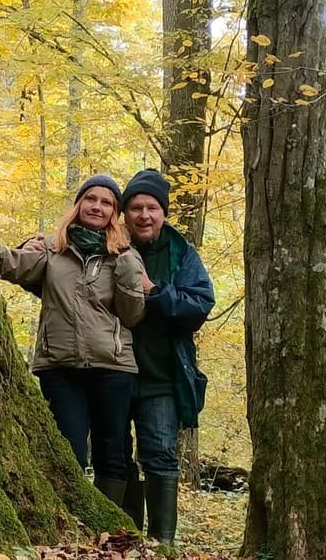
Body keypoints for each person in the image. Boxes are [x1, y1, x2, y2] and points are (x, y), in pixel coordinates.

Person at [0, 174, 146, 507]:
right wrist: (4, 244)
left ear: (115, 212)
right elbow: (9, 265)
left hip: (112, 365)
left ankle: (111, 526)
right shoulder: (52, 249)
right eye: (91, 199)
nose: (97, 206)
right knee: (69, 449)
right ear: (79, 205)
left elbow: (132, 314)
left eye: (106, 202)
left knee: (112, 449)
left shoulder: (125, 254)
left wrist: (125, 268)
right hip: (60, 366)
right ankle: (76, 520)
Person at [118, 169, 215, 547]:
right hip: (112, 372)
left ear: (163, 212)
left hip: (160, 376)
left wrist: (154, 292)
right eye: (136, 207)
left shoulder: (181, 253)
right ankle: (121, 541)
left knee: (159, 456)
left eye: (152, 207)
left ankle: (161, 545)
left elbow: (199, 305)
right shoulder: (108, 243)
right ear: (125, 212)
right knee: (115, 456)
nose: (144, 215)